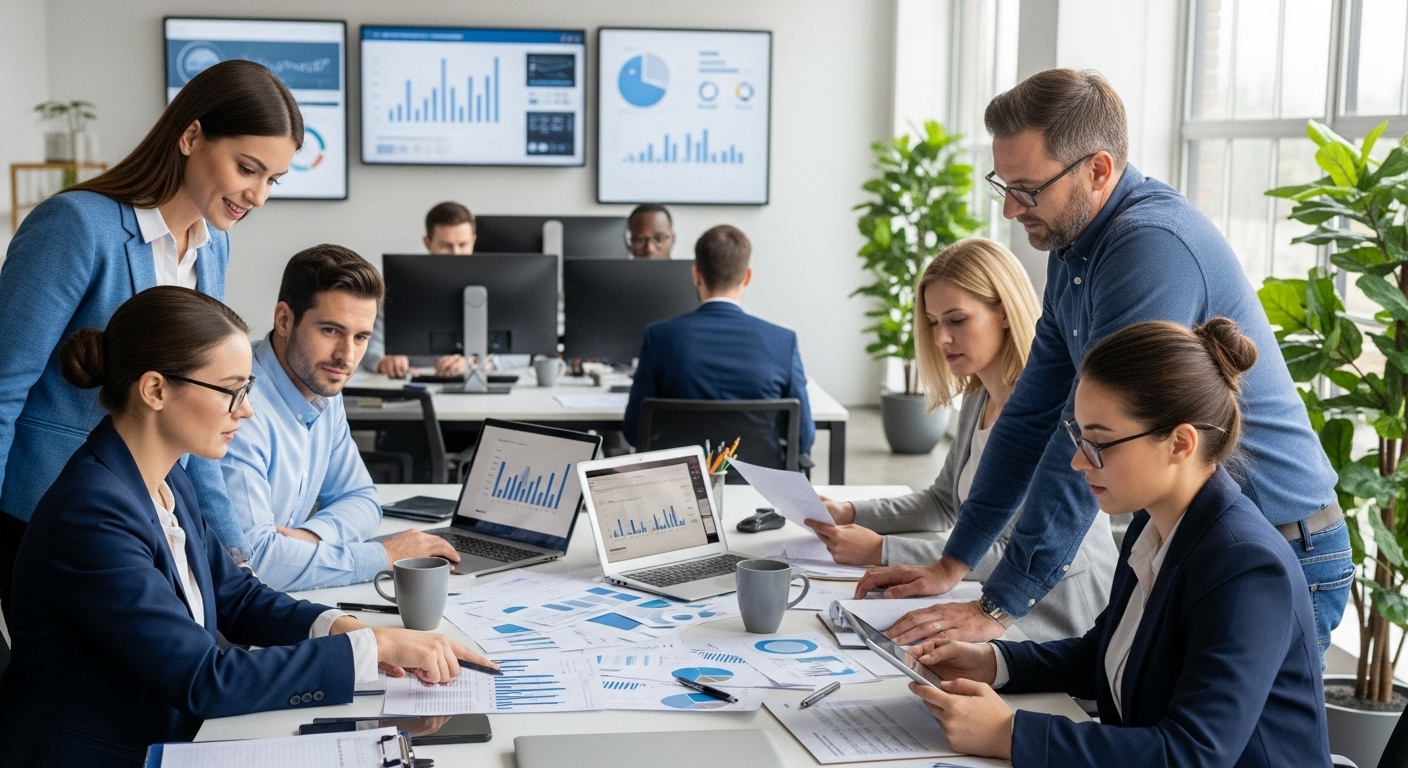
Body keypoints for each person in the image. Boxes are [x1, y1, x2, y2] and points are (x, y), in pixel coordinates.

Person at [856, 68, 1350, 659]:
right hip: (1194, 533)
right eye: (1003, 183)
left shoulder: (1150, 248)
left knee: (1231, 750)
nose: (1012, 209)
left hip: (1276, 539)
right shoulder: (1074, 248)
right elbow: (1031, 413)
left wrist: (997, 604)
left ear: (1097, 170)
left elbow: (1092, 439)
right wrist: (952, 564)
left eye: (1028, 188)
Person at [0, 286, 495, 767]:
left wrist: (351, 629)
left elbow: (236, 597)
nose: (248, 409)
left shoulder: (166, 477)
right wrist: (372, 648)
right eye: (232, 391)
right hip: (111, 752)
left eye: (248, 389)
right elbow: (204, 678)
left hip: (174, 732)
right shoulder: (92, 513)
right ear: (155, 390)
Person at [903, 318, 1331, 767]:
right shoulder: (1154, 523)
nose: (1076, 461)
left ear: (1180, 444)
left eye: (1099, 443)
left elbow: (1194, 755)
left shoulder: (1244, 566)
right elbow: (1103, 653)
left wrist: (1011, 734)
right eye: (1079, 437)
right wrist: (993, 663)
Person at [0, 59, 304, 620]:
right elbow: (3, 386)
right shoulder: (78, 225)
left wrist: (232, 556)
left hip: (151, 528)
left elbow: (202, 411)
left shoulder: (212, 247)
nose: (258, 195)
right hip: (50, 522)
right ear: (191, 136)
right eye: (248, 168)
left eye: (272, 180)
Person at [807, 239, 1116, 642]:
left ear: (1004, 313)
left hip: (1058, 611)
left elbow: (1018, 553)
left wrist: (885, 550)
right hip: (990, 597)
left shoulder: (1054, 413)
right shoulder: (979, 396)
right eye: (934, 322)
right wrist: (849, 512)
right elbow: (942, 504)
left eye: (956, 320)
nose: (940, 339)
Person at [188, 245, 459, 591]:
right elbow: (255, 562)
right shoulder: (239, 403)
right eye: (330, 331)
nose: (346, 356)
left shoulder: (322, 386)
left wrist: (310, 538)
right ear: (284, 320)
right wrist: (382, 556)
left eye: (361, 337)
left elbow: (361, 498)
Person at [622, 225, 814, 461]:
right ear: (748, 276)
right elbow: (804, 439)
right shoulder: (783, 341)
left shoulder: (659, 337)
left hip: (682, 488)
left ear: (696, 275)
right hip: (760, 488)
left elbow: (634, 432)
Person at [363, 201, 477, 378]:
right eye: (446, 246)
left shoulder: (496, 283)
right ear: (427, 242)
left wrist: (475, 362)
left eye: (463, 245)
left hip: (472, 379)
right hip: (413, 380)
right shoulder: (400, 283)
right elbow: (370, 344)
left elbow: (521, 353)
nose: (456, 254)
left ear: (474, 240)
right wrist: (384, 361)